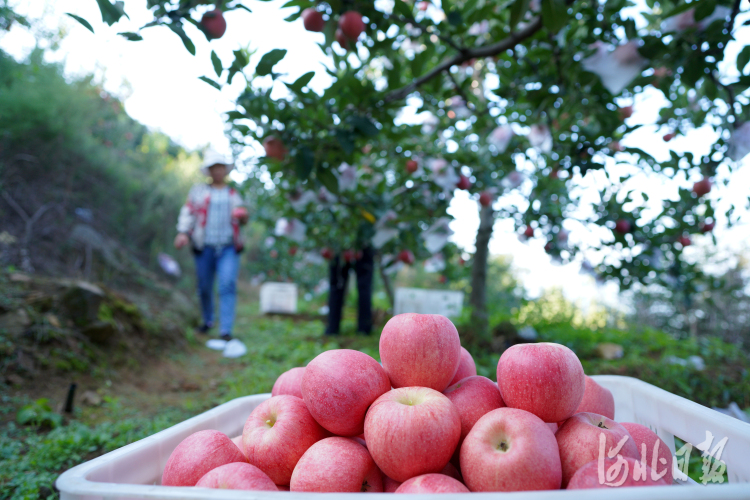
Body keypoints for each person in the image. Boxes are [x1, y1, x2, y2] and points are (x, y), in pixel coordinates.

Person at [174, 151, 248, 341]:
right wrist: (183, 232)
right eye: (213, 168)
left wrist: (243, 216)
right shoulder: (198, 191)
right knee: (205, 287)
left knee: (227, 285)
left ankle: (226, 330)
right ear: (209, 171)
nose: (217, 171)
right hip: (204, 246)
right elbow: (188, 212)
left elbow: (243, 218)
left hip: (228, 248)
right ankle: (208, 321)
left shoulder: (233, 194)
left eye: (220, 167)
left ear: (225, 170)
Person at [325, 245, 374, 336]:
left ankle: (332, 328)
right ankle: (364, 329)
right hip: (362, 243)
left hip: (341, 243)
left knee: (337, 285)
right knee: (364, 287)